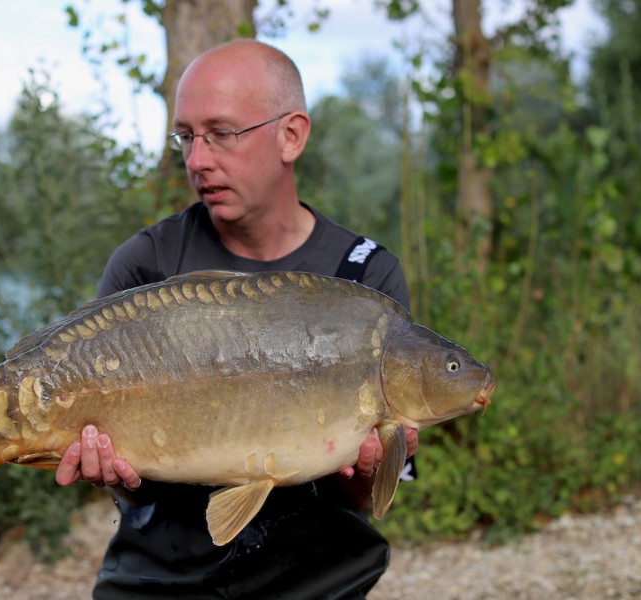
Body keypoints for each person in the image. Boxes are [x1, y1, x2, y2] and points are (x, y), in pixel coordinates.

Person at [56, 39, 419, 599]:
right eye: (186, 136)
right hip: (160, 573)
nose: (198, 159)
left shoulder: (363, 279)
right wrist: (112, 474)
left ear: (291, 134)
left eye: (222, 134)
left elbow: (367, 500)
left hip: (314, 575)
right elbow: (130, 492)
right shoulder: (147, 265)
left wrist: (372, 468)